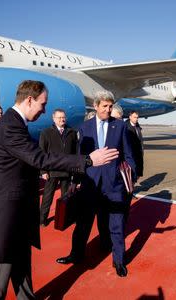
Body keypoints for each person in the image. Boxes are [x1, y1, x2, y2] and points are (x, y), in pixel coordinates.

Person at [0, 81, 119, 299]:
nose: (45, 110)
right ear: (29, 99)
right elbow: (40, 158)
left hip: (17, 212)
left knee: (21, 267)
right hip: (7, 214)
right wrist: (87, 160)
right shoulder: (10, 125)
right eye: (43, 104)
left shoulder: (13, 123)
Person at [56, 90, 136, 278]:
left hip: (114, 186)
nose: (108, 110)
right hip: (90, 185)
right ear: (96, 106)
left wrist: (129, 178)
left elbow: (129, 155)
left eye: (110, 107)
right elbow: (80, 158)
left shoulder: (120, 126)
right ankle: (76, 255)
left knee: (116, 226)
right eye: (105, 106)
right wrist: (75, 181)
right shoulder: (84, 128)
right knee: (83, 225)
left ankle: (119, 261)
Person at [39, 109, 78, 227]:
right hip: (52, 171)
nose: (62, 120)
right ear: (54, 119)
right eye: (59, 118)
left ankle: (64, 218)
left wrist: (75, 169)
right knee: (47, 197)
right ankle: (42, 219)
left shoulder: (71, 132)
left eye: (63, 117)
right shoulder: (46, 133)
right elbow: (42, 153)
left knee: (66, 197)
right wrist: (43, 171)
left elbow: (75, 152)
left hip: (67, 170)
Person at [125, 110, 144, 177]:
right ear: (130, 117)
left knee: (138, 173)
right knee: (131, 174)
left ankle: (133, 185)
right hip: (130, 155)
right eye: (134, 117)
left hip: (138, 154)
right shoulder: (126, 127)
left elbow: (140, 140)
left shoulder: (137, 127)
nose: (136, 119)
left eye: (137, 117)